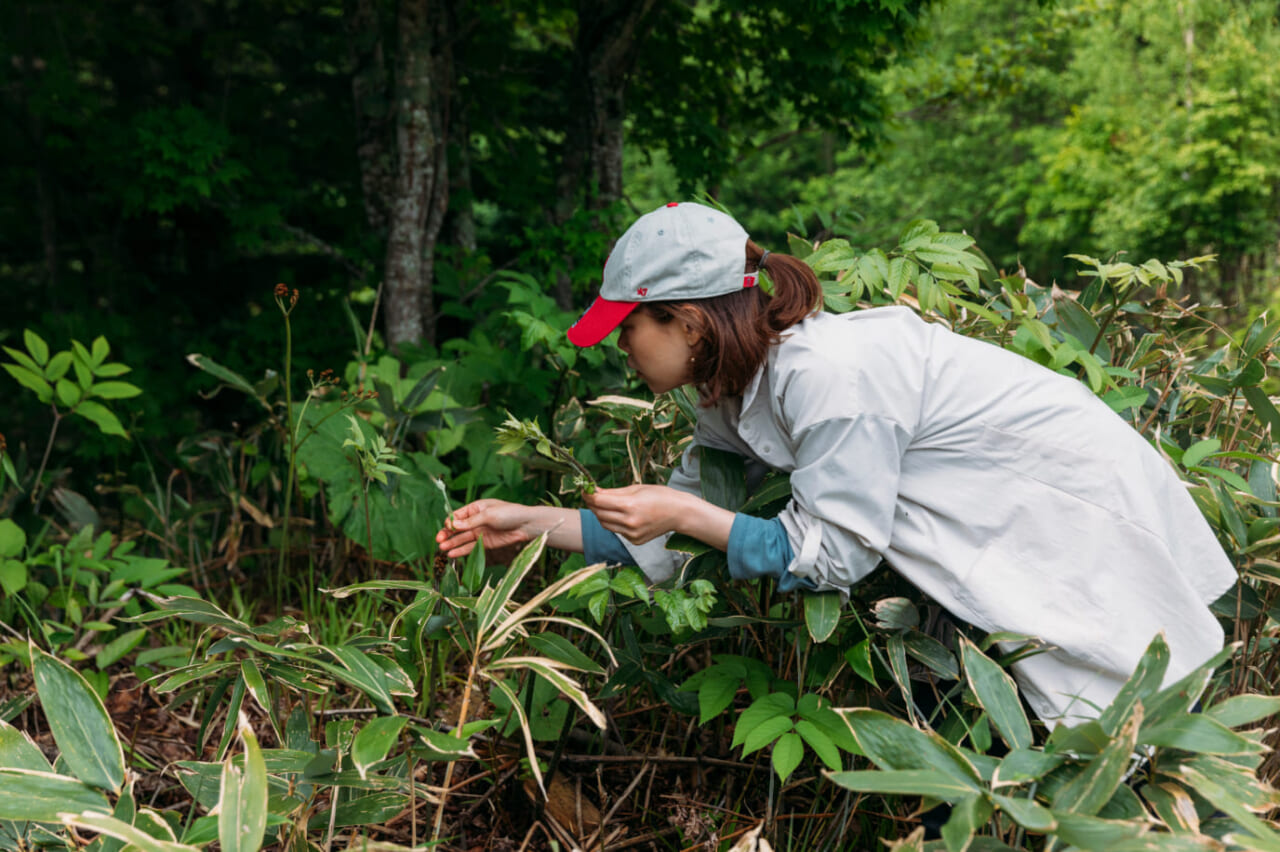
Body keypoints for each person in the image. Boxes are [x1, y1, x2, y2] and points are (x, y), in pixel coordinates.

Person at [435, 201, 1235, 726]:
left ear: (688, 322)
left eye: (626, 327)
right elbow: (663, 530)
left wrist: (686, 515)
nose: (619, 346)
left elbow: (834, 554)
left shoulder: (828, 375)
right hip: (1003, 523)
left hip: (1067, 505)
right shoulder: (729, 392)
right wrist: (527, 523)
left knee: (1121, 721)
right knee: (1043, 730)